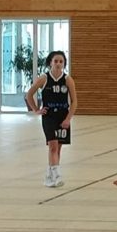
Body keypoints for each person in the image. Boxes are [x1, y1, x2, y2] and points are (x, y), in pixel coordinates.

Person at [25, 50, 77, 187]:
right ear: (50, 63)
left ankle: (49, 177)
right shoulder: (44, 78)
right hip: (49, 117)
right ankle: (57, 175)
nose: (58, 64)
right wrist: (36, 109)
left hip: (62, 116)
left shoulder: (68, 80)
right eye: (56, 61)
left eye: (61, 61)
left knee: (57, 149)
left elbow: (74, 102)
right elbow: (29, 94)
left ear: (64, 64)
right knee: (53, 146)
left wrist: (68, 119)